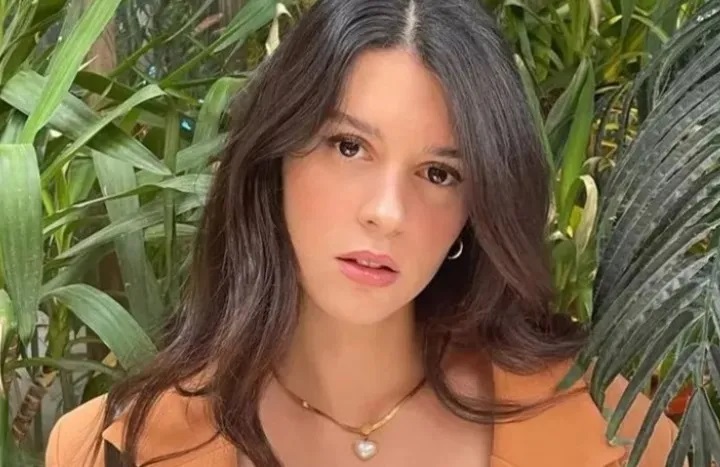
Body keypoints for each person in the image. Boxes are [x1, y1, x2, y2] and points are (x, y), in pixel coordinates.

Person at [45, 0, 678, 466]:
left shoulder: (616, 434)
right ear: (275, 161)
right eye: (349, 146)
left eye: (439, 173)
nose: (387, 211)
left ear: (476, 209)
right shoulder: (106, 450)